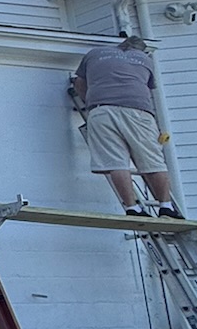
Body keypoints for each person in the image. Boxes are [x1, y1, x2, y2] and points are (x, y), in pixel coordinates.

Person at [70, 33, 182, 217]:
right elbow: (145, 87)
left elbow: (80, 84)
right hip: (138, 111)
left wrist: (89, 101)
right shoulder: (144, 59)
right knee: (153, 161)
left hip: (101, 110)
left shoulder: (95, 53)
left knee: (116, 162)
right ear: (140, 49)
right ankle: (166, 206)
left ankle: (132, 208)